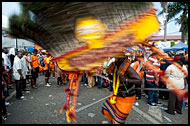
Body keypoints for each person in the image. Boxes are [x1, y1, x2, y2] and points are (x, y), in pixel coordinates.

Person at [102, 57, 142, 124]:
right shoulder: (114, 66)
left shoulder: (128, 68)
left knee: (119, 118)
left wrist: (126, 80)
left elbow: (139, 80)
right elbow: (113, 78)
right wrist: (109, 75)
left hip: (127, 96)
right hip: (116, 93)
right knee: (107, 110)